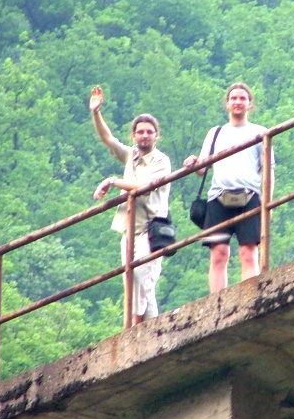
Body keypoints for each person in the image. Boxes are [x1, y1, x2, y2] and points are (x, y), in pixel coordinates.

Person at [90, 85, 171, 327]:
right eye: (140, 132)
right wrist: (96, 113)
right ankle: (150, 330)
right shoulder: (131, 156)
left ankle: (133, 330)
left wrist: (113, 181)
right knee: (134, 283)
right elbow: (108, 139)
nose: (145, 136)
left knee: (143, 282)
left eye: (149, 132)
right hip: (129, 231)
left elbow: (142, 186)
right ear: (133, 136)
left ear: (157, 136)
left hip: (150, 231)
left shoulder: (161, 161)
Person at [184, 82, 274, 293]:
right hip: (218, 198)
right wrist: (194, 162)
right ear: (227, 103)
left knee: (248, 252)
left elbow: (269, 172)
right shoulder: (215, 133)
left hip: (249, 197)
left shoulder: (260, 133)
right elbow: (202, 170)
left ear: (250, 104)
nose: (237, 102)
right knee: (218, 253)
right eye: (233, 98)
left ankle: (249, 297)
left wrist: (267, 205)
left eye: (242, 98)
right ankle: (217, 302)